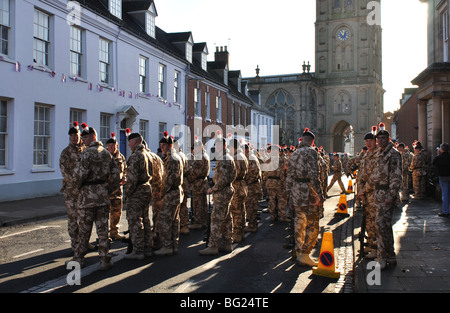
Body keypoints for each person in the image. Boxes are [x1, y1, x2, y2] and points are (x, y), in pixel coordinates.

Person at [72, 123, 120, 270]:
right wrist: (109, 189)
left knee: (84, 230)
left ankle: (78, 259)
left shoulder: (86, 154)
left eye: (85, 137)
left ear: (93, 137)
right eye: (83, 137)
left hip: (87, 196)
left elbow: (79, 175)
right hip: (102, 195)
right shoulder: (106, 153)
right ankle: (105, 258)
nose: (83, 139)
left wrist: (77, 188)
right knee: (103, 229)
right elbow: (116, 175)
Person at [286, 128, 323, 267]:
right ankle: (305, 253)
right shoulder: (311, 152)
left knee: (299, 223)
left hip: (296, 192)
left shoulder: (294, 154)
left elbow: (289, 177)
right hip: (308, 192)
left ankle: (298, 250)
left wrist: (289, 196)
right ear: (312, 142)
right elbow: (314, 174)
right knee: (312, 224)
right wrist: (320, 194)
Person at [199, 133, 236, 256]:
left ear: (224, 145)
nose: (217, 147)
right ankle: (226, 243)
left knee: (216, 219)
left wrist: (213, 188)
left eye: (219, 145)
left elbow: (223, 179)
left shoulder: (225, 159)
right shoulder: (225, 158)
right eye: (216, 145)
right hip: (225, 192)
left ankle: (213, 245)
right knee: (226, 219)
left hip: (222, 193)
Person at [371, 124, 402, 269]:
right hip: (377, 194)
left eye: (383, 138)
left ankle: (381, 257)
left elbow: (396, 177)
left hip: (386, 195)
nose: (381, 141)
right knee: (384, 227)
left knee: (380, 225)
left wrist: (391, 195)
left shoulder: (393, 154)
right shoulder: (379, 153)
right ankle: (390, 255)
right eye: (379, 138)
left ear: (388, 139)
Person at [123, 132, 153, 260]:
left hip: (137, 191)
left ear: (135, 142)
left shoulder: (136, 156)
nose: (129, 144)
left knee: (135, 221)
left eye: (130, 142)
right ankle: (147, 247)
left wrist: (127, 194)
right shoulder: (147, 154)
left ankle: (138, 250)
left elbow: (132, 179)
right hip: (146, 188)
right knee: (145, 219)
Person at [154, 132, 184, 256]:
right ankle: (173, 245)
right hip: (175, 192)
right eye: (161, 145)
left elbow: (169, 180)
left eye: (164, 146)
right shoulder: (172, 157)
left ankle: (167, 245)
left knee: (165, 220)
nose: (162, 148)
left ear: (170, 145)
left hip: (171, 193)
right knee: (174, 220)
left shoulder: (172, 159)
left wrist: (161, 193)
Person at [59, 121, 85, 257]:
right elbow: (65, 171)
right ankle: (75, 244)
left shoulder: (85, 150)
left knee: (84, 219)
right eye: (72, 135)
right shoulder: (66, 153)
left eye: (77, 135)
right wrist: (77, 182)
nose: (75, 137)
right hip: (71, 191)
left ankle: (83, 242)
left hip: (85, 191)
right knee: (73, 219)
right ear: (69, 137)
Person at [357, 128, 379, 258]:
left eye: (370, 141)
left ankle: (376, 248)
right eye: (366, 141)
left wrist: (363, 190)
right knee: (369, 222)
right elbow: (362, 175)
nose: (368, 143)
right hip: (366, 195)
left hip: (375, 194)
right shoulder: (367, 155)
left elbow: (375, 177)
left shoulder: (377, 154)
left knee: (375, 222)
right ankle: (370, 245)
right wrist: (360, 191)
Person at [106, 132, 127, 240]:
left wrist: (124, 177)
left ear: (117, 145)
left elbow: (125, 170)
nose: (111, 147)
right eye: (109, 146)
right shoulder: (104, 157)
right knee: (104, 214)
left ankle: (114, 232)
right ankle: (104, 235)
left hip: (118, 190)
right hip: (106, 190)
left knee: (117, 212)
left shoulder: (121, 157)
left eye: (113, 145)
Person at [188, 136, 210, 230]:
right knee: (202, 203)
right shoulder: (204, 155)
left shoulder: (200, 157)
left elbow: (195, 172)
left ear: (200, 147)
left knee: (198, 204)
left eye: (196, 147)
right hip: (202, 182)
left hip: (198, 183)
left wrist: (189, 178)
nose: (195, 149)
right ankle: (203, 221)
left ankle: (198, 221)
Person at [229, 138, 248, 243]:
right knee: (241, 210)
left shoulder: (236, 158)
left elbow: (234, 174)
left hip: (237, 185)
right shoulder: (243, 156)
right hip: (242, 186)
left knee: (236, 212)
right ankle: (241, 232)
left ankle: (237, 234)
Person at [244, 143, 262, 233]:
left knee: (251, 207)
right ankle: (252, 223)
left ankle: (252, 225)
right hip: (252, 186)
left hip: (252, 186)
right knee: (250, 206)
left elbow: (255, 171)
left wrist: (248, 180)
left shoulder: (251, 158)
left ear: (246, 149)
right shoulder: (250, 157)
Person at [433, 143, 450, 217]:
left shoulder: (439, 157)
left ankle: (445, 211)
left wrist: (438, 154)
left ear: (441, 149)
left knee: (445, 195)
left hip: (443, 177)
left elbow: (434, 163)